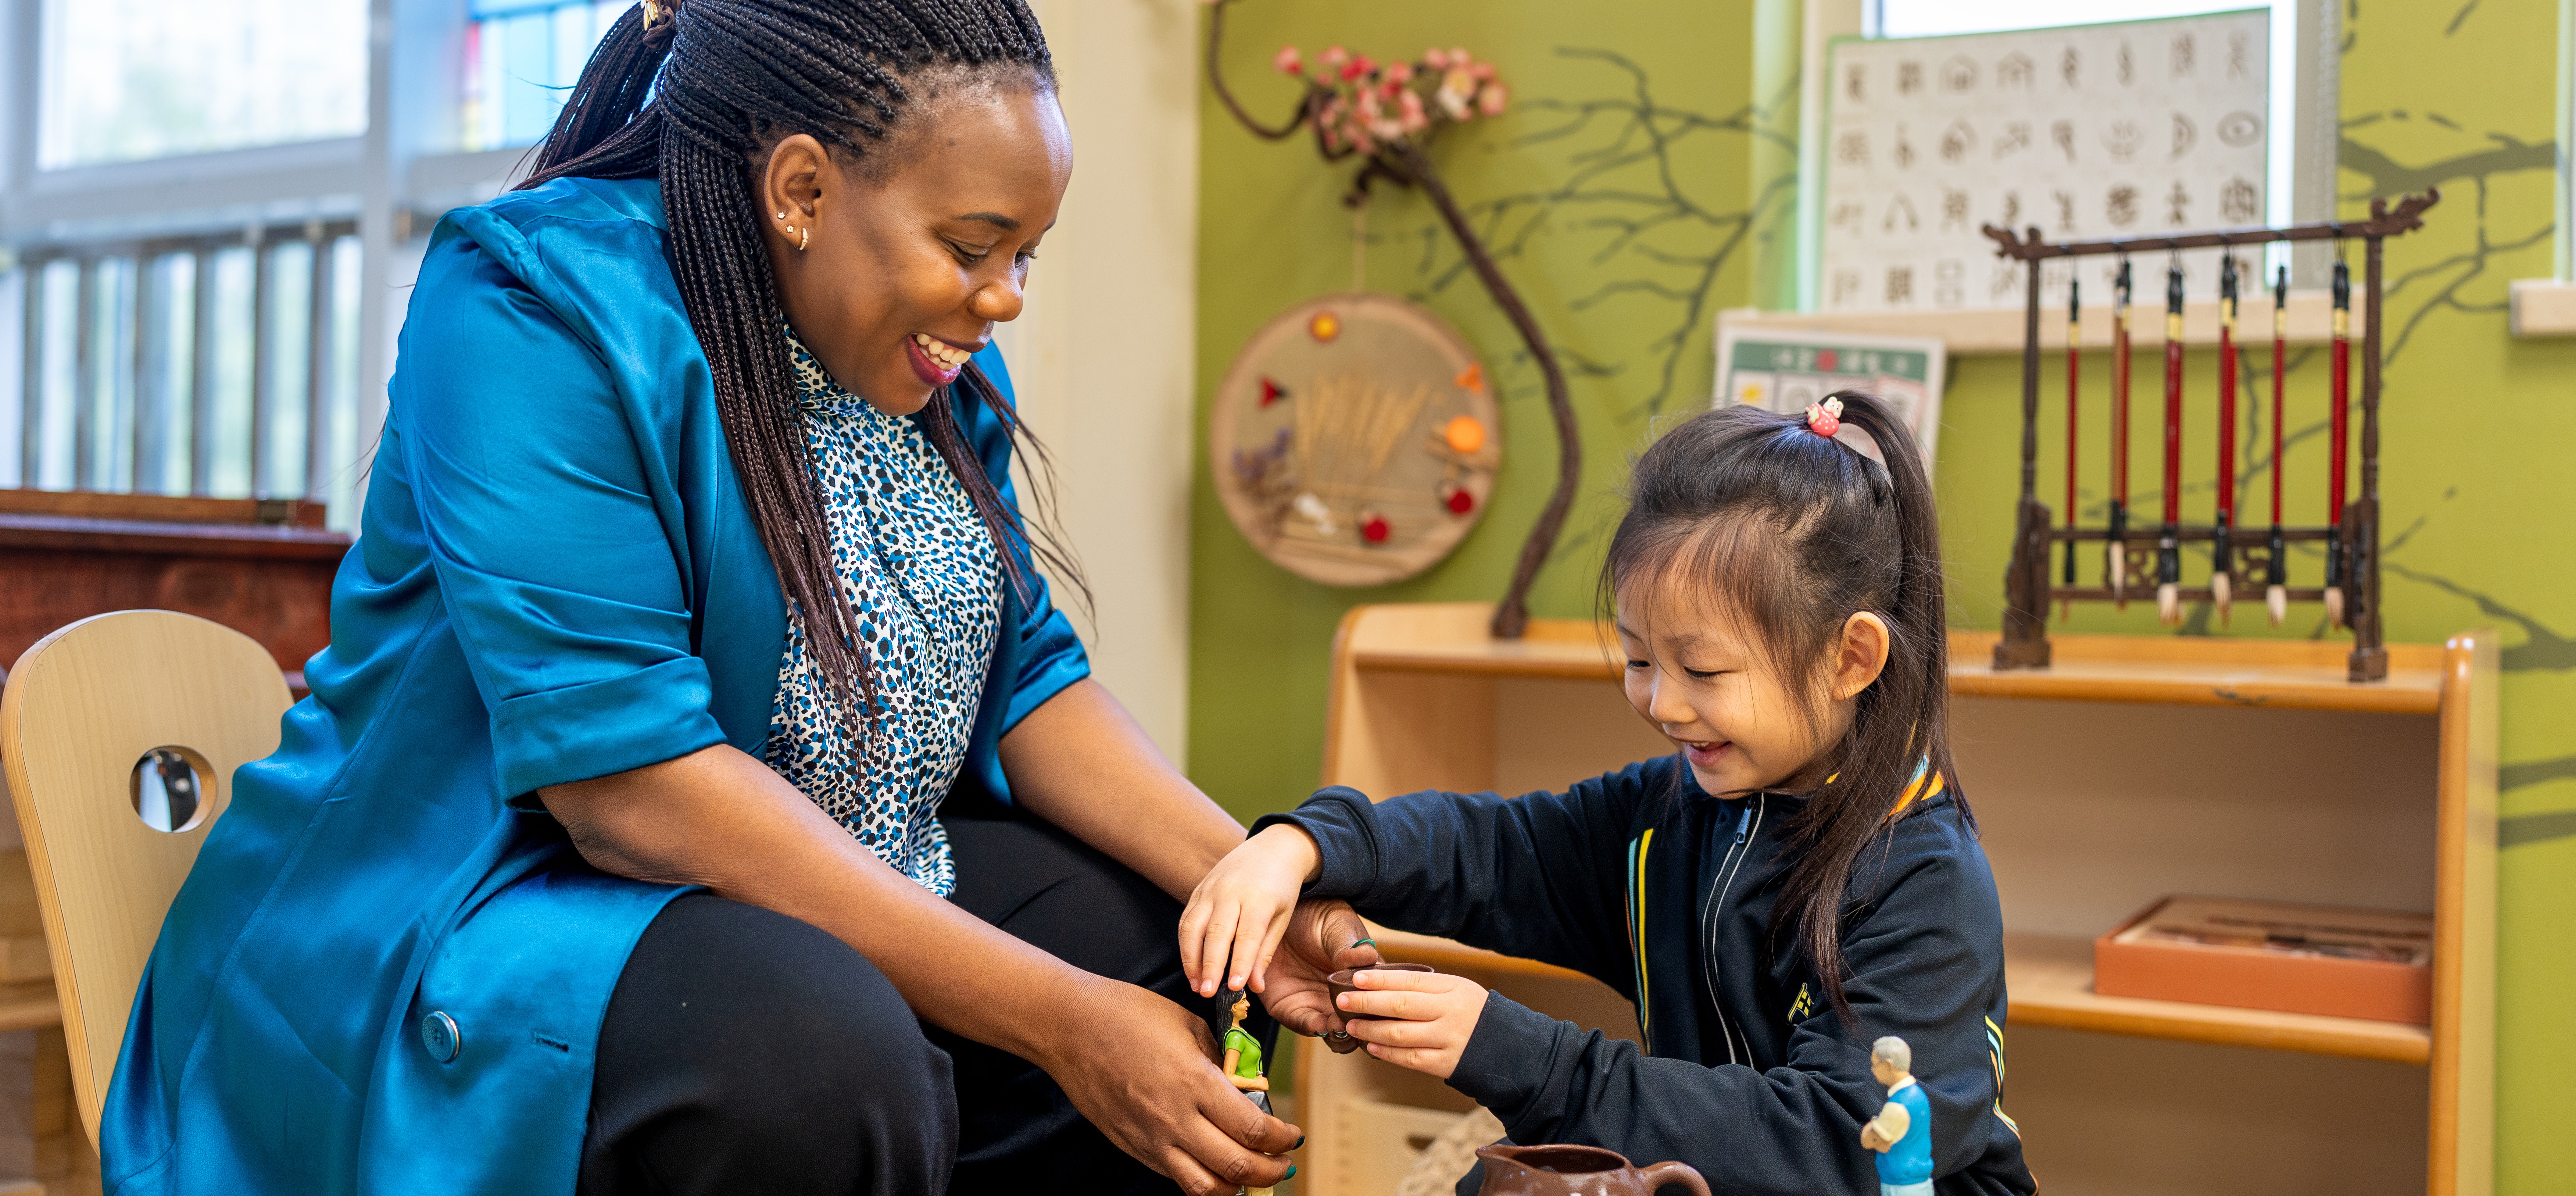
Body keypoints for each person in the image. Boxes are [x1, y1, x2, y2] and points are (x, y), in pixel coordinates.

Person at [106, 3, 1371, 1194]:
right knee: (812, 1055)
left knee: (1166, 945)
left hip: (755, 878)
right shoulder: (527, 304)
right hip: (476, 899)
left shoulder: (915, 370)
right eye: (970, 248)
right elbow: (629, 786)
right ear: (803, 190)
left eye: (1022, 255)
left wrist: (1256, 886)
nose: (1004, 299)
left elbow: (1028, 677)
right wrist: (1063, 1020)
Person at [1178, 394, 2037, 1196]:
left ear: (1851, 658)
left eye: (1703, 670)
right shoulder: (1673, 811)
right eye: (1639, 659)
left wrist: (1530, 1059)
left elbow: (1833, 1143)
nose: (1662, 703)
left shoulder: (1922, 878)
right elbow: (1495, 851)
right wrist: (1304, 844)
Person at [1861, 1036, 1934, 1196]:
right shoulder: (1919, 1095)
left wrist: (1873, 1124)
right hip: (1917, 1182)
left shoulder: (1898, 1106)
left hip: (1901, 1186)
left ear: (1888, 1065)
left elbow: (1868, 1141)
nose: (1872, 1070)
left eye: (1875, 1065)